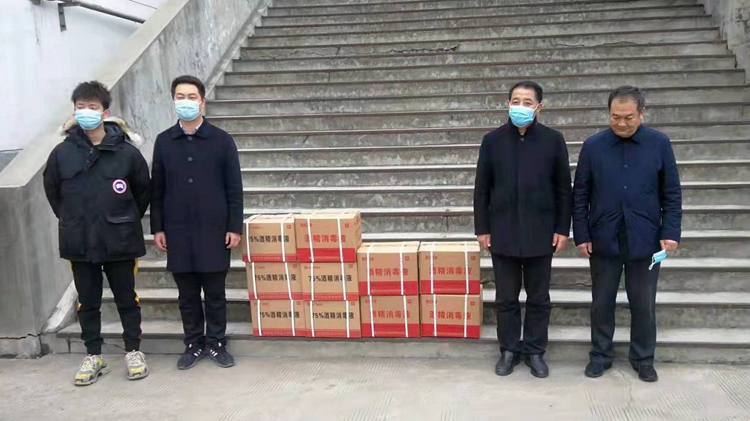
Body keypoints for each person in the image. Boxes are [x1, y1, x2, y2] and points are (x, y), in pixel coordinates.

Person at [43, 81, 151, 386]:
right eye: (81, 107)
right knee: (87, 302)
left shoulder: (126, 153)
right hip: (79, 240)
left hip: (120, 239)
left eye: (92, 107)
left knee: (126, 298)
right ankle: (93, 354)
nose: (86, 112)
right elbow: (53, 192)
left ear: (105, 112)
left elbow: (142, 192)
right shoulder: (62, 153)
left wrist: (123, 219)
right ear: (74, 111)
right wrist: (72, 219)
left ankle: (133, 350)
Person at [573, 86, 682, 383]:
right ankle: (600, 355)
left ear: (642, 113)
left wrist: (670, 230)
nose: (621, 123)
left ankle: (643, 358)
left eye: (628, 117)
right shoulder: (593, 146)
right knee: (602, 301)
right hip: (603, 236)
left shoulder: (659, 144)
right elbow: (580, 193)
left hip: (646, 237)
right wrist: (581, 234)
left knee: (643, 303)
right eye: (615, 117)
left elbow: (671, 192)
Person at [474, 81, 572, 378]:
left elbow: (563, 189)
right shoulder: (492, 141)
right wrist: (482, 228)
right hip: (502, 230)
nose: (520, 106)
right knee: (506, 297)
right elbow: (482, 189)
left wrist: (562, 228)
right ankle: (508, 349)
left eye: (527, 102)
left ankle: (535, 350)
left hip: (541, 231)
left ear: (539, 107)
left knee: (539, 297)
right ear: (507, 104)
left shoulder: (553, 141)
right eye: (515, 101)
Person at [151, 75, 243, 370]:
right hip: (177, 230)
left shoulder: (221, 140)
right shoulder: (164, 141)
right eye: (180, 97)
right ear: (173, 101)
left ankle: (216, 343)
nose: (186, 102)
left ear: (202, 102)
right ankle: (193, 343)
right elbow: (157, 189)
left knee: (215, 293)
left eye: (192, 97)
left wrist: (234, 227)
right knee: (187, 294)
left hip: (214, 229)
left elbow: (234, 188)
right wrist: (158, 227)